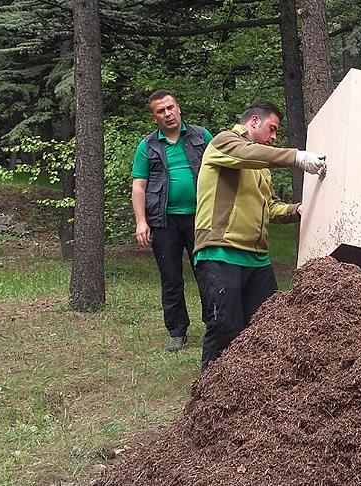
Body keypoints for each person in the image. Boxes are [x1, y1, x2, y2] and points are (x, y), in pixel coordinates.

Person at [193, 100, 325, 370]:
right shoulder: (223, 143)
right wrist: (297, 157)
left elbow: (271, 206)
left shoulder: (260, 166)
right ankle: (211, 388)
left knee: (267, 327)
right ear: (254, 121)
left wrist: (298, 210)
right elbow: (247, 154)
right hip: (220, 252)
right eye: (272, 128)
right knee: (225, 327)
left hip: (257, 259)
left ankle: (257, 386)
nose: (274, 136)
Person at [131, 90, 213, 352]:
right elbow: (139, 186)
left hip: (201, 218)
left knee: (208, 272)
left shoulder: (202, 136)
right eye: (160, 111)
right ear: (154, 117)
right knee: (171, 277)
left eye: (170, 108)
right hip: (163, 221)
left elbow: (221, 170)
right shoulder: (147, 146)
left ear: (179, 109)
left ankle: (215, 324)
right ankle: (177, 331)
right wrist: (141, 222)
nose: (167, 114)